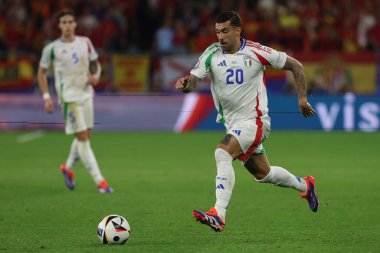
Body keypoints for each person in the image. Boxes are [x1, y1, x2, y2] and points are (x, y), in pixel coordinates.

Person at [175, 11, 318, 232]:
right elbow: (195, 80)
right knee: (264, 173)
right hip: (234, 125)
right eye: (217, 32)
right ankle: (305, 185)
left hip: (256, 121)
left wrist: (302, 99)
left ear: (237, 31)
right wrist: (186, 83)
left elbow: (296, 66)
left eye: (224, 31)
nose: (220, 37)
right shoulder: (212, 53)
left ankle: (218, 214)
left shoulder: (256, 52)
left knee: (222, 152)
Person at [37, 9, 113, 193]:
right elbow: (41, 72)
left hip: (86, 94)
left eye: (70, 22)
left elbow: (95, 62)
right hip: (69, 98)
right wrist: (47, 97)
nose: (67, 25)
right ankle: (100, 182)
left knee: (85, 136)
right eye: (64, 22)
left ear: (75, 24)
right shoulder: (52, 49)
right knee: (83, 139)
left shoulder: (85, 43)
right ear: (59, 26)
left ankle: (68, 168)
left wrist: (95, 75)